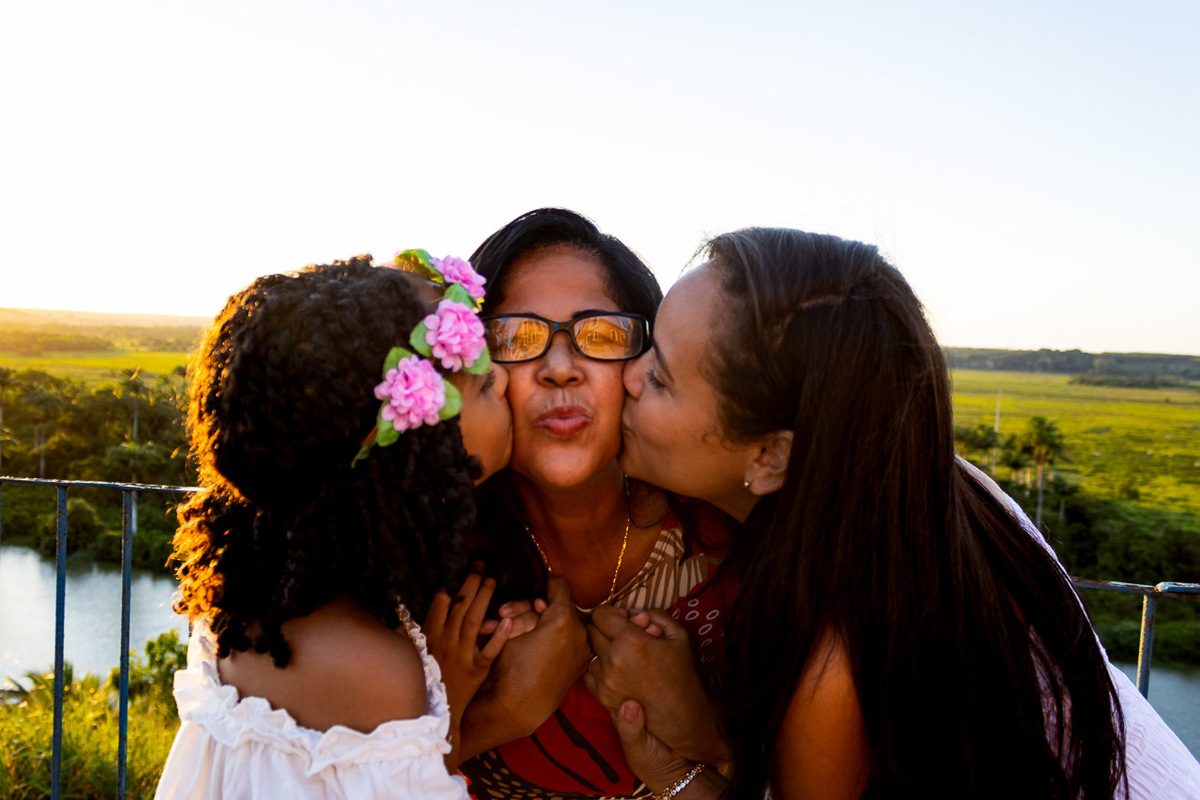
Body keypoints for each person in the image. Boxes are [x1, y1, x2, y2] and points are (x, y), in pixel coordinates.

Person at [589, 227, 1200, 798]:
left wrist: (685, 751)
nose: (630, 375)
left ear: (772, 457)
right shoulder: (927, 485)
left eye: (662, 377)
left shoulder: (835, 661)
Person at [156, 253, 515, 798]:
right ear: (413, 446)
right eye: (485, 385)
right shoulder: (374, 671)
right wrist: (455, 703)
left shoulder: (251, 601)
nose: (508, 380)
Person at [455, 208, 738, 799]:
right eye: (515, 337)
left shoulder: (731, 533)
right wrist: (501, 713)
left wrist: (709, 725)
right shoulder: (432, 561)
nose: (560, 369)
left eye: (602, 335)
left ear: (649, 364)